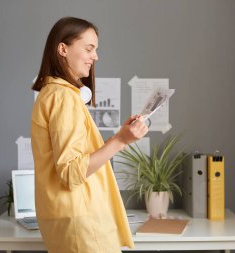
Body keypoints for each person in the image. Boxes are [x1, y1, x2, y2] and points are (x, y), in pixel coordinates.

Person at [31, 17, 148, 253]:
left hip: (69, 220)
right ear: (62, 49)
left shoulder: (51, 94)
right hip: (81, 224)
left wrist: (122, 139)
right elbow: (72, 172)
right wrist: (120, 140)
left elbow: (76, 162)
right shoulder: (64, 98)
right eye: (89, 48)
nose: (95, 57)